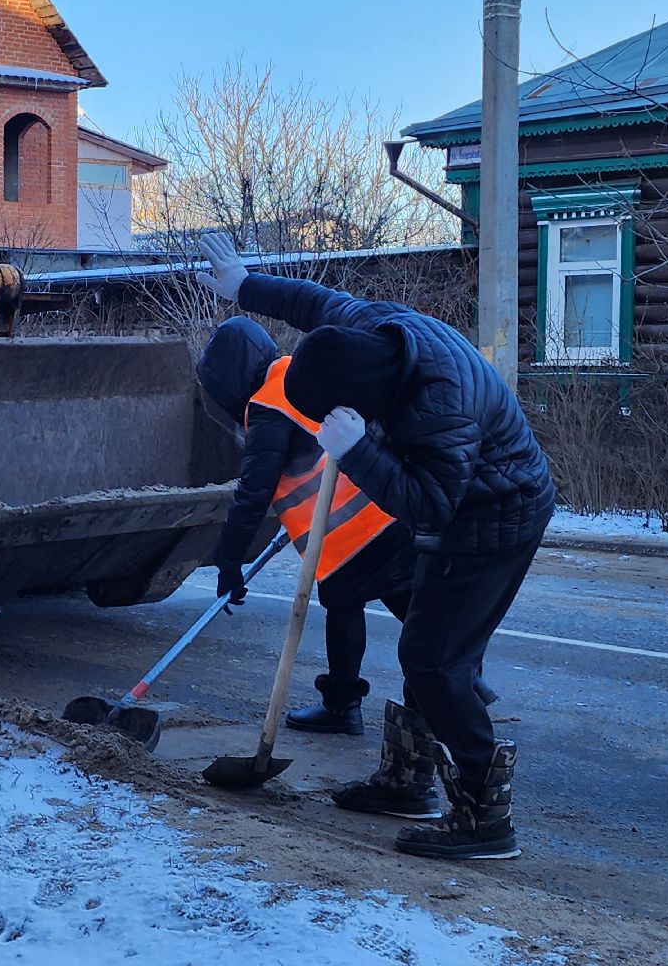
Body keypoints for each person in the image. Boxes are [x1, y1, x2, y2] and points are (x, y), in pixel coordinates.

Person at [197, 232, 556, 861]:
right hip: (466, 499)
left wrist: (356, 451)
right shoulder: (376, 328)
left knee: (433, 655)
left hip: (501, 513)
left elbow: (428, 505)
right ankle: (405, 782)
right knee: (428, 643)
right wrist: (245, 286)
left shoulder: (439, 408)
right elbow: (314, 303)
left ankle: (483, 816)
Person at [197, 317, 416, 739]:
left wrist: (228, 560)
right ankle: (458, 674)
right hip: (388, 508)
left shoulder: (266, 406)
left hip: (347, 537)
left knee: (347, 606)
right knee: (409, 604)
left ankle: (343, 706)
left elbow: (254, 491)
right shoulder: (300, 372)